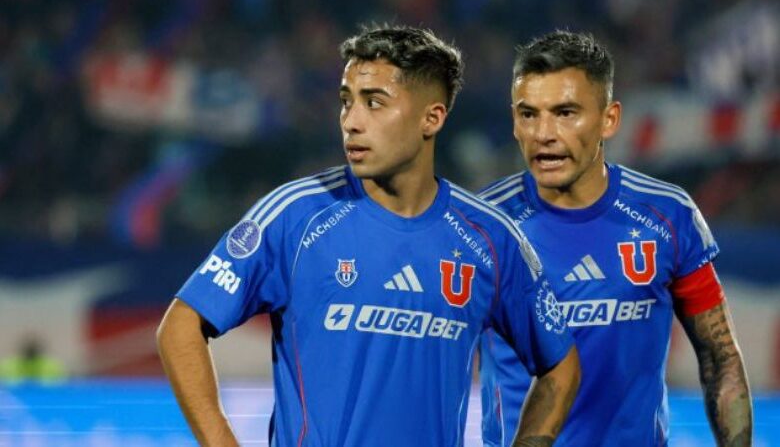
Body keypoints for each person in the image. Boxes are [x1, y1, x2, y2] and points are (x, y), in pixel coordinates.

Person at [157, 25, 580, 447]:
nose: (351, 122)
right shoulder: (296, 217)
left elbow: (560, 366)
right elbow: (181, 326)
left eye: (374, 103)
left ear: (432, 118)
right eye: (347, 101)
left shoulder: (490, 238)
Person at [478, 30, 753, 446]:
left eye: (565, 113)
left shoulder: (668, 216)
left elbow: (720, 358)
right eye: (528, 114)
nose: (543, 133)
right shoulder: (481, 225)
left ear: (609, 119)